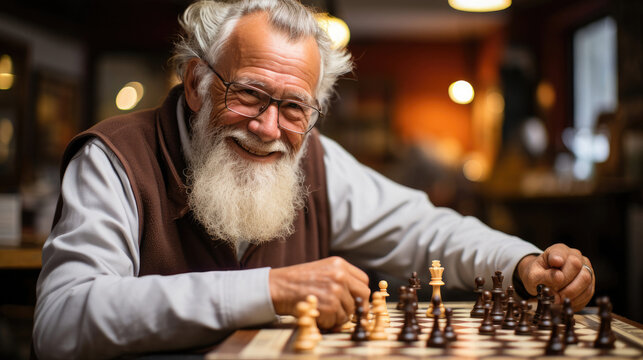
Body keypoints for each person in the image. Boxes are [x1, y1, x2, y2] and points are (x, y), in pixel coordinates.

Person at [32, 0, 595, 358]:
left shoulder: (318, 158)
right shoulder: (112, 158)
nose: (269, 127)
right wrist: (272, 290)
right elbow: (61, 322)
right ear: (198, 82)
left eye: (295, 107)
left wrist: (525, 262)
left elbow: (427, 231)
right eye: (249, 93)